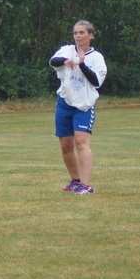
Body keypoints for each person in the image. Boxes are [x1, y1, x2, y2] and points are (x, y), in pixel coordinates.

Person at [49, 20, 107, 195]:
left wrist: (82, 64)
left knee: (81, 143)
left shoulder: (96, 57)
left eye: (82, 32)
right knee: (66, 145)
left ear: (91, 35)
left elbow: (96, 81)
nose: (78, 36)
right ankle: (75, 180)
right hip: (64, 103)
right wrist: (66, 60)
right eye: (76, 33)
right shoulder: (67, 50)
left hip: (84, 106)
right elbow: (53, 61)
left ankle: (86, 185)